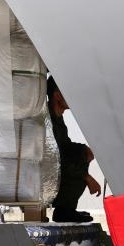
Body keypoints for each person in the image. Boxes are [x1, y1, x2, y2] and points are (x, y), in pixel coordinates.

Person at [46, 76, 100, 222]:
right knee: (78, 157)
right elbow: (56, 158)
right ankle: (64, 211)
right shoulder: (47, 119)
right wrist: (86, 177)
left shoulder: (58, 118)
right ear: (57, 95)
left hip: (55, 172)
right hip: (45, 177)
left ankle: (66, 209)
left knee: (81, 152)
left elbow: (65, 147)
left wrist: (85, 150)